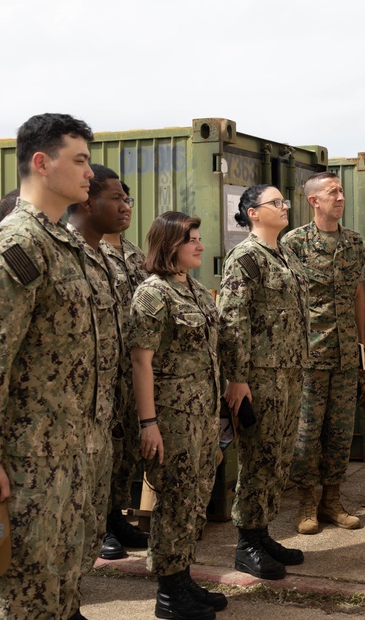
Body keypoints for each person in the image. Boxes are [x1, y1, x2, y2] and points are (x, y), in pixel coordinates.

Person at [0, 113, 100, 618]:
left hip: (63, 452)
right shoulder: (20, 243)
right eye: (79, 160)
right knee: (22, 600)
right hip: (24, 461)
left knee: (57, 595)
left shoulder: (62, 241)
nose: (90, 173)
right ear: (42, 162)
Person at [130, 211, 228, 619]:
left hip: (203, 414)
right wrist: (149, 423)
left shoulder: (196, 291)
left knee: (195, 498)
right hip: (172, 416)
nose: (200, 246)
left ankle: (183, 575)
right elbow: (141, 361)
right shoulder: (153, 293)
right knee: (174, 500)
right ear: (170, 245)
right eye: (193, 240)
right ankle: (169, 593)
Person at [218, 184, 308, 581]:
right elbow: (231, 321)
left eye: (284, 202)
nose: (284, 207)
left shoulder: (284, 253)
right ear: (253, 212)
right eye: (276, 203)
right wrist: (237, 378)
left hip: (289, 373)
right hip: (260, 378)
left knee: (279, 457)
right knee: (259, 458)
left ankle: (262, 530)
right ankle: (247, 544)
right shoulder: (246, 258)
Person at [282, 172, 365, 534]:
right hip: (309, 353)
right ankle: (306, 503)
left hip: (346, 353)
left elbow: (357, 294)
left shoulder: (354, 242)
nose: (340, 197)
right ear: (314, 200)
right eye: (332, 192)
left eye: (342, 191)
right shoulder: (294, 242)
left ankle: (332, 500)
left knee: (340, 431)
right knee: (307, 432)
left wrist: (361, 344)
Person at [64, 165, 129, 616]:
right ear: (88, 202)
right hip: (56, 428)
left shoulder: (100, 259)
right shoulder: (52, 252)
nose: (126, 206)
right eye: (116, 198)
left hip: (101, 408)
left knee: (80, 533)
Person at [100, 178, 151, 554]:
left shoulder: (137, 256)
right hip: (102, 371)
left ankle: (117, 516)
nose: (125, 207)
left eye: (128, 199)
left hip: (132, 370)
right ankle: (99, 525)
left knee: (128, 448)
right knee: (102, 451)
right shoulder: (87, 251)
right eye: (117, 199)